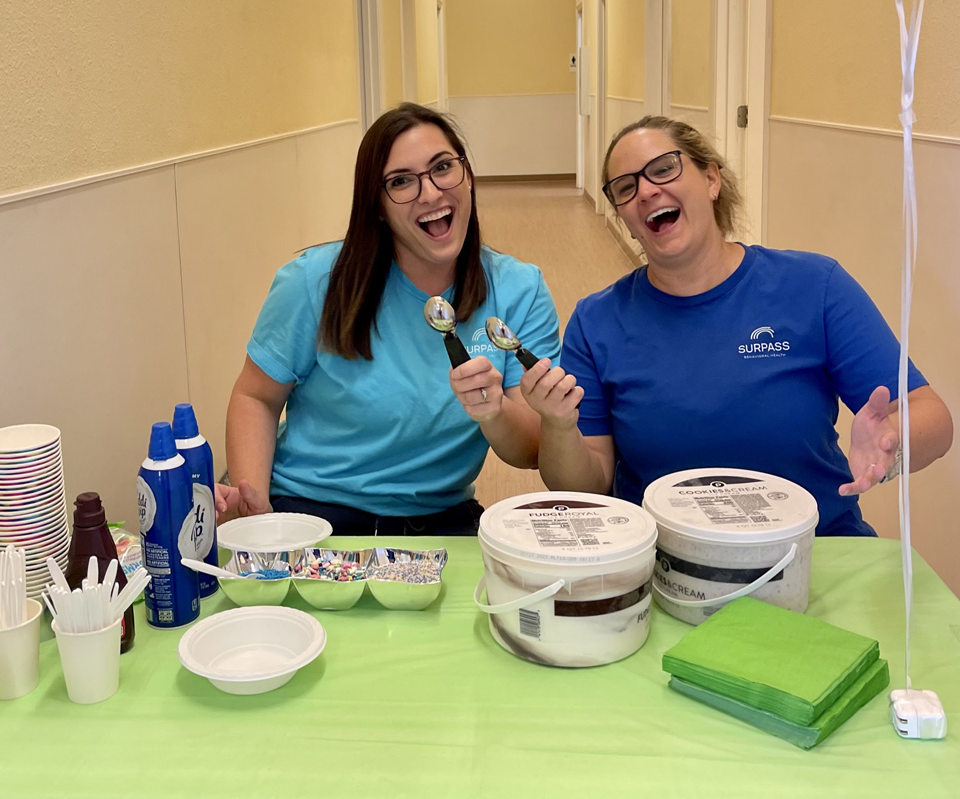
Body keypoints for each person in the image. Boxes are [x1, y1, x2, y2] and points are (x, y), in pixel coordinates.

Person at [521, 116, 952, 536]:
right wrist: (557, 426)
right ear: (624, 218)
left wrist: (891, 440)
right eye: (625, 188)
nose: (647, 191)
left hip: (814, 550)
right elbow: (585, 485)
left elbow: (932, 415)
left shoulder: (813, 286)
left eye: (664, 169)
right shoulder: (597, 322)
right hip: (672, 567)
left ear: (711, 180)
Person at [216, 103, 559, 535]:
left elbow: (532, 450)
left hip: (438, 518)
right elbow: (256, 397)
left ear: (468, 177)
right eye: (401, 182)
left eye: (443, 168)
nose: (431, 193)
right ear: (376, 205)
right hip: (311, 509)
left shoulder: (519, 290)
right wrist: (257, 511)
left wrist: (494, 413)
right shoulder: (315, 281)